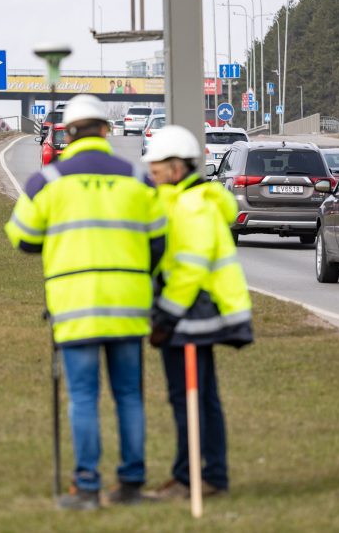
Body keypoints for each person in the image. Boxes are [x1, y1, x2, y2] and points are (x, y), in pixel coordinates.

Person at [5, 94, 166, 510]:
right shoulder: (138, 178)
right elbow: (159, 240)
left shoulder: (50, 180)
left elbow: (22, 237)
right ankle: (131, 483)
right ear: (106, 129)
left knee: (83, 397)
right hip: (129, 306)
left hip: (75, 306)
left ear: (67, 132)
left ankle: (88, 486)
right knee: (129, 395)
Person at [140, 125, 253, 500]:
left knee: (189, 397)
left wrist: (165, 317)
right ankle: (209, 476)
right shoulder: (195, 199)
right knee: (203, 397)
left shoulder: (191, 204)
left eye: (156, 171)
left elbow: (189, 267)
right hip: (199, 310)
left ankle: (193, 479)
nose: (153, 178)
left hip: (193, 313)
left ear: (175, 168)